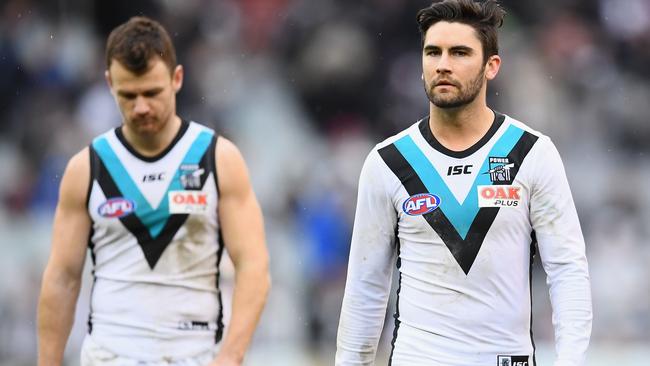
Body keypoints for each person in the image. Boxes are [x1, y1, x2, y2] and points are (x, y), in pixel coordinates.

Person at [336, 1, 592, 365]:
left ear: (492, 66)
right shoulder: (389, 162)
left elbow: (567, 270)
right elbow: (365, 287)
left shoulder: (531, 153)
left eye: (460, 52)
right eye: (432, 52)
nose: (443, 64)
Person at [37, 16, 270, 366]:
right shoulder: (87, 168)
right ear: (109, 84)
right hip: (109, 355)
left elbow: (254, 266)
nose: (141, 107)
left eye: (152, 92)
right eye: (128, 95)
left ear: (177, 79)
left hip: (195, 354)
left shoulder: (217, 159)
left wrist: (231, 356)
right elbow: (62, 279)